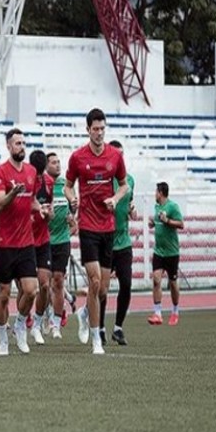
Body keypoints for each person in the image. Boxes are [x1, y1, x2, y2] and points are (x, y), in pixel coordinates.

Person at [64, 108, 129, 355]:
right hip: (88, 226)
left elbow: (124, 186)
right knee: (93, 280)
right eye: (95, 129)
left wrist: (115, 198)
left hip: (108, 227)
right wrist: (72, 200)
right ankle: (95, 339)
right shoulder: (78, 157)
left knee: (102, 289)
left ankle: (83, 312)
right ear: (88, 129)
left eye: (103, 129)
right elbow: (68, 187)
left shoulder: (115, 156)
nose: (99, 133)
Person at [0, 129, 42, 356]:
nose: (22, 146)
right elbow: (0, 203)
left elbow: (30, 201)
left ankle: (20, 325)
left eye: (23, 142)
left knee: (31, 291)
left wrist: (41, 208)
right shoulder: (1, 172)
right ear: (9, 147)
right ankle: (3, 336)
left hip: (26, 242)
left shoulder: (32, 172)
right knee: (4, 294)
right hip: (5, 243)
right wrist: (13, 193)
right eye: (17, 143)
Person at [104, 140, 136, 345]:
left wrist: (132, 210)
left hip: (123, 242)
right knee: (101, 289)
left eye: (122, 155)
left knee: (126, 284)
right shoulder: (103, 180)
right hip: (105, 240)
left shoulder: (129, 180)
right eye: (117, 154)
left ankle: (118, 327)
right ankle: (98, 328)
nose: (120, 158)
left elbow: (131, 205)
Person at [45, 152, 77, 339]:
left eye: (59, 162)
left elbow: (74, 219)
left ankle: (56, 323)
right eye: (54, 163)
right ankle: (44, 316)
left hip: (62, 242)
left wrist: (72, 215)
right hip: (44, 242)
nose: (57, 165)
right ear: (46, 166)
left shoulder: (66, 186)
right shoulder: (42, 186)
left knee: (57, 281)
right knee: (44, 284)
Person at [147, 182, 184, 326]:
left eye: (156, 191)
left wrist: (167, 220)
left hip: (171, 252)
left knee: (173, 283)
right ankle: (157, 313)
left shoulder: (173, 207)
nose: (155, 194)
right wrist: (153, 223)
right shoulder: (157, 207)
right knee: (156, 279)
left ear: (161, 193)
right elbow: (158, 222)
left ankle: (175, 311)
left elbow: (181, 224)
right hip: (159, 251)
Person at [28, 150, 54, 346]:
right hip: (25, 240)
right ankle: (22, 321)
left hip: (43, 239)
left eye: (40, 172)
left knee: (44, 285)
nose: (38, 176)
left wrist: (48, 213)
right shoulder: (26, 181)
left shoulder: (49, 183)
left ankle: (36, 323)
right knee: (27, 289)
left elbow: (50, 210)